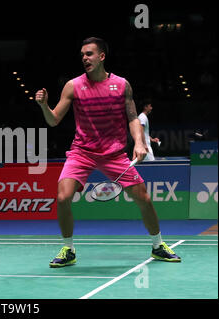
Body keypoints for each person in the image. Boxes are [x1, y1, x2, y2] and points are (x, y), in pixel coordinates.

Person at [35, 37, 180, 267]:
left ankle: (158, 245)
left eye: (89, 54)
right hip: (82, 151)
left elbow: (132, 117)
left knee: (142, 197)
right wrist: (44, 106)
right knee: (63, 197)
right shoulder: (73, 86)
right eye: (82, 54)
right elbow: (53, 121)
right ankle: (68, 249)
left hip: (114, 153)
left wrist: (139, 143)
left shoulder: (122, 85)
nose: (85, 58)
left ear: (102, 56)